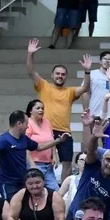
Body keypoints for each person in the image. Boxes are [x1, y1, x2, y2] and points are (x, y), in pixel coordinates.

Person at [26, 39, 91, 183]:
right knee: (45, 161)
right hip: (46, 131)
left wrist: (87, 71)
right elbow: (31, 71)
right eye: (57, 73)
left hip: (64, 132)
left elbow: (85, 87)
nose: (60, 76)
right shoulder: (44, 86)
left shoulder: (70, 91)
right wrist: (30, 54)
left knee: (67, 162)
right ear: (52, 75)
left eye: (63, 74)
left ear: (66, 77)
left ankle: (63, 189)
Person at [0, 110, 67, 201]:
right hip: (8, 183)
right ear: (19, 124)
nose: (27, 126)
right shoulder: (4, 139)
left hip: (23, 181)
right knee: (10, 206)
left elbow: (39, 146)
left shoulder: (24, 139)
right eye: (26, 123)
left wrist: (58, 141)